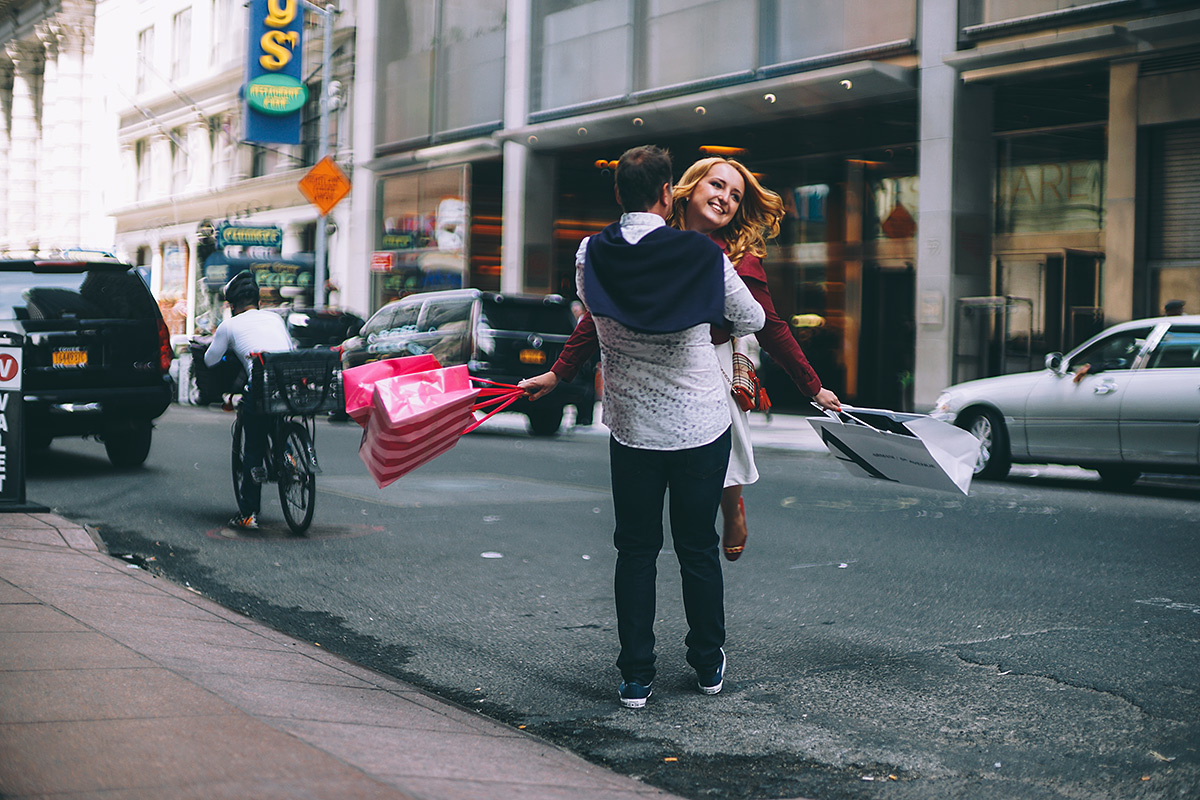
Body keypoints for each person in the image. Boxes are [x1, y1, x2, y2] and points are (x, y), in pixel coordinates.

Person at [524, 145, 764, 709]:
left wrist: (561, 373)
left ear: (618, 195)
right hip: (700, 425)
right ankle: (707, 664)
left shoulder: (590, 254)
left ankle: (635, 676)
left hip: (632, 426)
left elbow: (594, 313)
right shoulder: (702, 255)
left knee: (635, 550)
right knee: (697, 548)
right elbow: (751, 317)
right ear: (667, 195)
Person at [523, 156, 840, 561]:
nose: (725, 198)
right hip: (647, 380)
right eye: (717, 186)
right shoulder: (651, 240)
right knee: (647, 527)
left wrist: (812, 387)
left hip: (713, 366)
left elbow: (769, 324)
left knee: (716, 473)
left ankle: (731, 505)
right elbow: (600, 316)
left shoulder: (740, 257)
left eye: (735, 195)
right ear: (682, 191)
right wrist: (557, 372)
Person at [203, 271, 294, 530]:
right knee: (276, 417)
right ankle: (288, 454)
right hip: (288, 383)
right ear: (258, 302)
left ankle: (248, 513)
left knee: (253, 444)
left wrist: (229, 348)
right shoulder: (275, 318)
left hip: (261, 385)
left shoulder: (229, 326)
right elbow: (289, 347)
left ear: (232, 306)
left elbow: (210, 360)